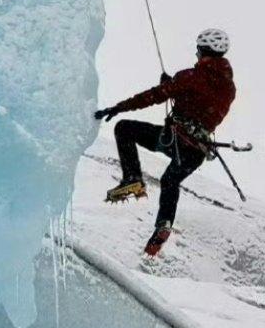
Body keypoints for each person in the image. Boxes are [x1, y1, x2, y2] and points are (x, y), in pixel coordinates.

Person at [95, 29, 235, 256]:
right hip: (197, 151)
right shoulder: (229, 88)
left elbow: (151, 96)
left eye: (198, 51)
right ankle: (164, 225)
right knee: (170, 180)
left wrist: (118, 108)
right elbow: (201, 101)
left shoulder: (190, 77)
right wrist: (174, 86)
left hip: (175, 140)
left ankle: (133, 179)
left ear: (202, 51)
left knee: (124, 129)